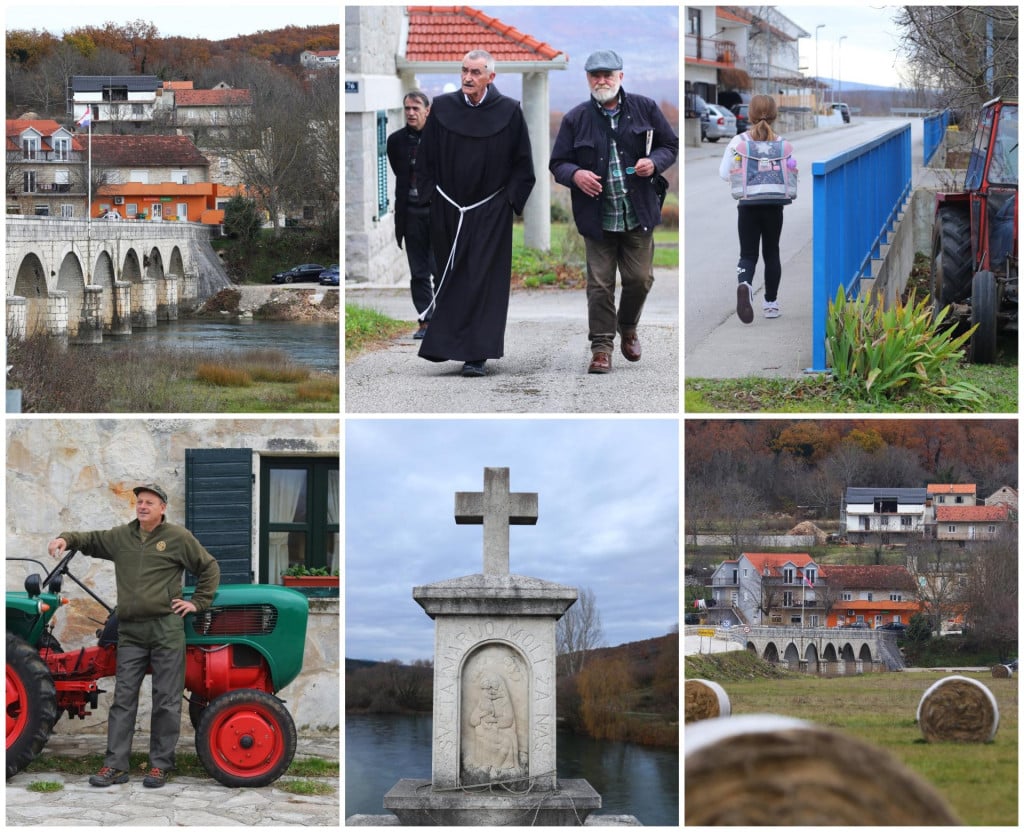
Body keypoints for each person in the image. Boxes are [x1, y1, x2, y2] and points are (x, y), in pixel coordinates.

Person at [48, 484, 221, 789]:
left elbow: (208, 567)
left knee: (166, 700)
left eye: (149, 503)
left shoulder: (178, 538)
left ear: (162, 508)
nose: (142, 506)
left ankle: (160, 766)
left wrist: (197, 602)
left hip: (166, 629)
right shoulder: (121, 537)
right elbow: (90, 540)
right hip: (131, 632)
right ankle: (115, 766)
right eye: (140, 502)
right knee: (123, 700)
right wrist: (65, 538)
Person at [550, 50, 678, 374]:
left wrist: (655, 162)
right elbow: (558, 163)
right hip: (597, 218)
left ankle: (628, 325)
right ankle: (601, 348)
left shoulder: (645, 108)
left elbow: (670, 146)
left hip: (637, 214)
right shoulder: (575, 118)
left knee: (640, 279)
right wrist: (575, 175)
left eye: (608, 74)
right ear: (587, 79)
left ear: (621, 76)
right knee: (599, 285)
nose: (602, 80)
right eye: (596, 75)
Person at [417, 49, 535, 377]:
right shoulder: (441, 108)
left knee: (483, 279)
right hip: (449, 209)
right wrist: (430, 198)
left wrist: (507, 204)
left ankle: (477, 354)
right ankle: (448, 346)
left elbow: (523, 164)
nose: (468, 77)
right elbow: (425, 159)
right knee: (451, 277)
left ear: (490, 77)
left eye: (475, 72)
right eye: (464, 71)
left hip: (490, 211)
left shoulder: (509, 112)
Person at [718, 94, 796, 324]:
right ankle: (771, 305)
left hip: (748, 205)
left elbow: (724, 173)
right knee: (772, 252)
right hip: (774, 205)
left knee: (748, 254)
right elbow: (791, 170)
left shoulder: (738, 142)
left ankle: (745, 284)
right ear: (774, 115)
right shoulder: (781, 143)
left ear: (749, 115)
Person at [387, 91, 437, 339]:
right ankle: (426, 320)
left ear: (427, 110)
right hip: (411, 213)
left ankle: (445, 320)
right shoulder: (395, 141)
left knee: (440, 269)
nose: (411, 113)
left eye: (416, 108)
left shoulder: (440, 138)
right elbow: (400, 173)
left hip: (437, 213)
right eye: (407, 108)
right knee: (419, 272)